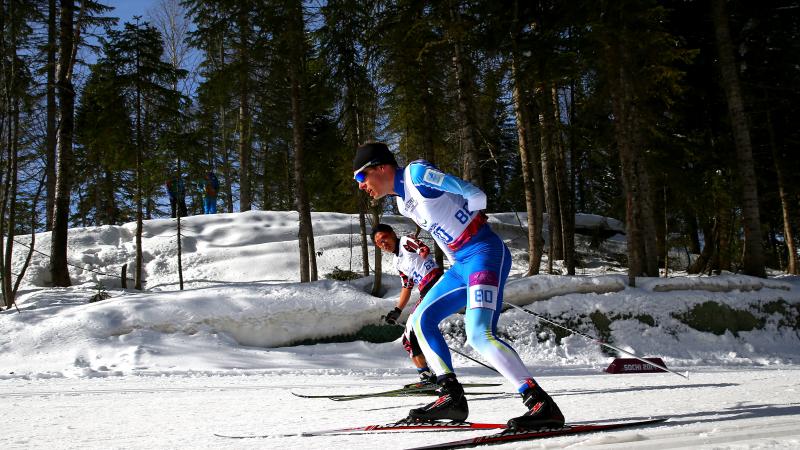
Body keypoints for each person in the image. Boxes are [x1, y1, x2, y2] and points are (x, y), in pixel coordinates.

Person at [353, 142, 564, 430]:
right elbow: (444, 228)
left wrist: (474, 202)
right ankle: (451, 397)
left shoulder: (416, 175)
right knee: (419, 321)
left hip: (484, 254)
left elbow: (469, 190)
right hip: (462, 265)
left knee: (478, 334)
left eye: (361, 178)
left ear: (380, 167)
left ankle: (540, 403)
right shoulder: (404, 203)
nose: (362, 186)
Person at [372, 223, 443, 386]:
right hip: (426, 291)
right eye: (379, 243)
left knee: (412, 334)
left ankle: (435, 377)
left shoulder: (404, 241)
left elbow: (417, 245)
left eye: (385, 238)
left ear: (392, 234)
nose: (383, 244)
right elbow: (407, 286)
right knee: (409, 338)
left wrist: (422, 250)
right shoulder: (397, 261)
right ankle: (429, 376)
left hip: (435, 285)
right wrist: (397, 310)